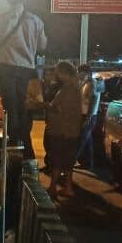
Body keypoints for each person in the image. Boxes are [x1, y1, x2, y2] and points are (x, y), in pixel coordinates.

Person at [0, 0, 47, 164]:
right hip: (26, 68)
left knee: (10, 106)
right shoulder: (36, 21)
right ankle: (24, 145)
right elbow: (42, 47)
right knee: (22, 105)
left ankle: (15, 142)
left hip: (5, 66)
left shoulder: (1, 19)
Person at [44, 61, 82, 199]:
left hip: (62, 131)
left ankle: (53, 187)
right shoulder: (75, 87)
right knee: (68, 161)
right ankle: (68, 187)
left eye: (58, 72)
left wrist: (45, 105)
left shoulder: (69, 89)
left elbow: (60, 109)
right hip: (71, 131)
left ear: (64, 73)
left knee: (57, 160)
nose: (56, 75)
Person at [75, 64, 102, 172]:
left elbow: (93, 102)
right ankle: (88, 164)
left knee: (80, 141)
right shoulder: (86, 83)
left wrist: (88, 118)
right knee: (87, 141)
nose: (78, 74)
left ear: (85, 72)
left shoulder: (91, 84)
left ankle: (68, 165)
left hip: (88, 115)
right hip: (87, 115)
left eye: (79, 72)